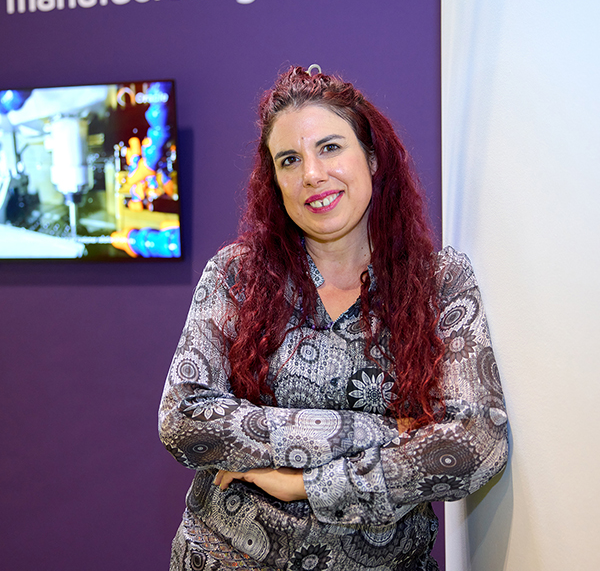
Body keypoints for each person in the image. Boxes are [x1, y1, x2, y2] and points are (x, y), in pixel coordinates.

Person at [159, 65, 508, 571]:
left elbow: (477, 442)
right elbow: (183, 419)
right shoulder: (236, 274)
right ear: (274, 181)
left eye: (329, 148)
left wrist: (308, 483)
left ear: (371, 157)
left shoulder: (439, 281)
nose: (312, 175)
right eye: (289, 160)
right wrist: (377, 431)